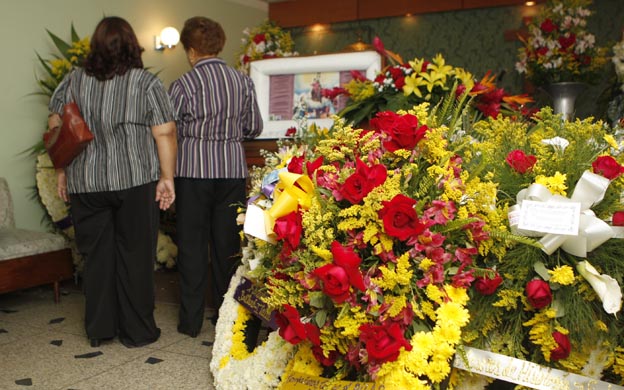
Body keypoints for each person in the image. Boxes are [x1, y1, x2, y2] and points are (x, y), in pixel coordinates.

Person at [48, 16, 177, 348]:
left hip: (86, 183)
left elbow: (57, 126)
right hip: (133, 180)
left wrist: (62, 171)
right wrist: (167, 178)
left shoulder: (73, 81)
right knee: (135, 256)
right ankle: (137, 332)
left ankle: (100, 330)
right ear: (133, 45)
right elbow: (165, 132)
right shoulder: (145, 83)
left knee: (98, 257)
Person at [169, 16, 263, 337]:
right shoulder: (242, 82)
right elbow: (255, 127)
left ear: (193, 50)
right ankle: (225, 319)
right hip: (231, 172)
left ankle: (190, 322)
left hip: (192, 173)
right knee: (227, 247)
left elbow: (170, 130)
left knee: (192, 247)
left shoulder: (183, 85)